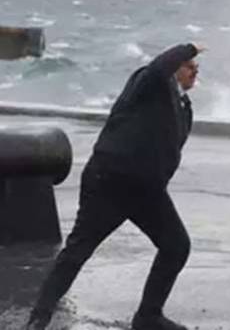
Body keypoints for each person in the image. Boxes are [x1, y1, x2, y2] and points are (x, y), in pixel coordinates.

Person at [26, 43, 204, 330]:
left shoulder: (184, 107)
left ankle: (148, 317)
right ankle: (38, 318)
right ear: (173, 67)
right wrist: (189, 47)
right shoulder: (148, 82)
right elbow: (159, 67)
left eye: (197, 66)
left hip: (146, 191)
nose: (194, 69)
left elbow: (170, 150)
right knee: (78, 250)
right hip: (109, 182)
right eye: (188, 64)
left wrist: (158, 181)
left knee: (176, 246)